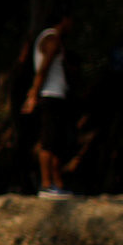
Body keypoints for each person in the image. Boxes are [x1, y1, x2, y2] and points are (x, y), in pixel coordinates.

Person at [21, 14, 75, 198]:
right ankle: (45, 184)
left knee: (57, 141)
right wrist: (33, 94)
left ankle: (57, 183)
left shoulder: (47, 38)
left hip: (55, 94)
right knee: (48, 140)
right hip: (50, 95)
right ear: (64, 19)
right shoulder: (52, 39)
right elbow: (43, 69)